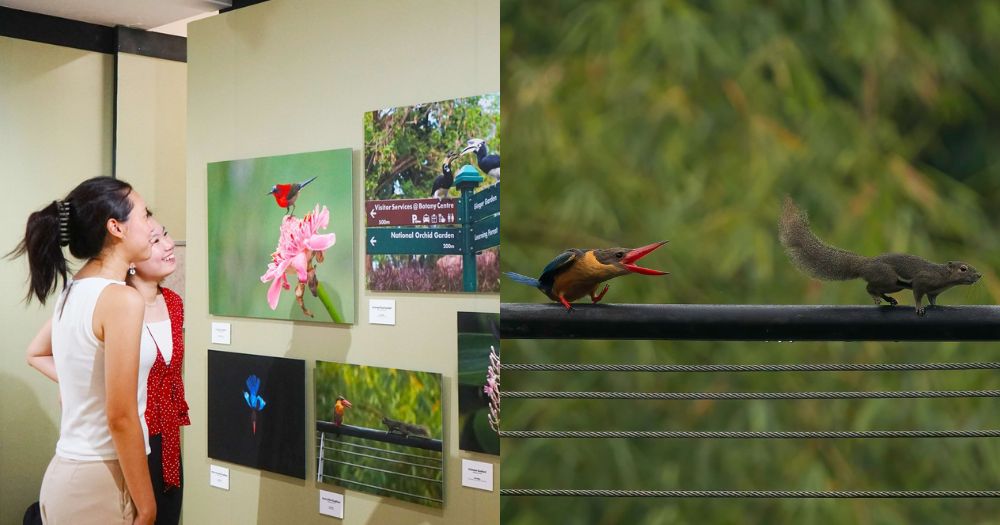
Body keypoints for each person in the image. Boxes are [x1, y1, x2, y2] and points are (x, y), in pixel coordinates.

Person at [15, 176, 156, 525]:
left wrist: (77, 388)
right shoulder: (121, 300)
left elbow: (51, 357)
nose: (151, 226)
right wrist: (147, 506)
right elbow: (120, 415)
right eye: (144, 215)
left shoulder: (74, 291)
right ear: (116, 227)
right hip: (100, 481)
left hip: (71, 477)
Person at [126, 217, 189, 525]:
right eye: (154, 241)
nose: (168, 244)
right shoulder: (118, 306)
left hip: (169, 444)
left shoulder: (174, 304)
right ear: (131, 259)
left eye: (166, 233)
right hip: (131, 442)